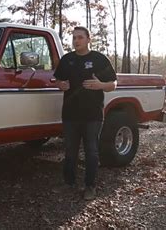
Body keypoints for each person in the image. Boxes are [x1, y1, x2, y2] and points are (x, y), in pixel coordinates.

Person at [53, 26, 117, 200]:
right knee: (70, 151)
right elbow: (57, 80)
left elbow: (113, 84)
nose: (76, 41)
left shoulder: (99, 59)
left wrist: (100, 85)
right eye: (74, 38)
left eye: (80, 37)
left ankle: (90, 186)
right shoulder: (67, 60)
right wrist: (60, 85)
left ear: (89, 39)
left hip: (93, 115)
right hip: (70, 114)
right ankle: (69, 183)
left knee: (91, 151)